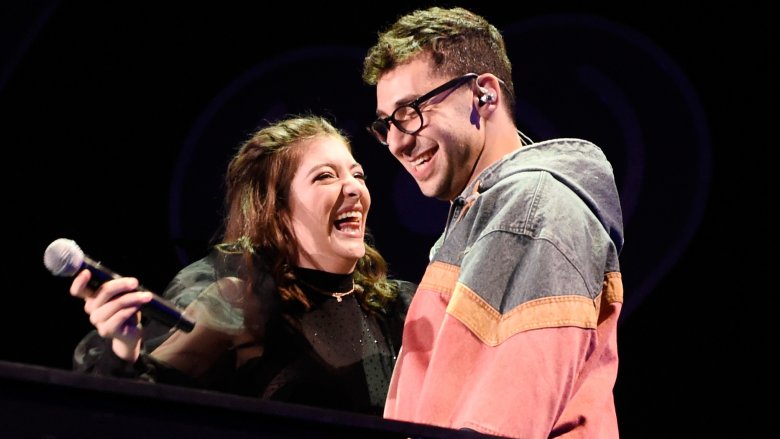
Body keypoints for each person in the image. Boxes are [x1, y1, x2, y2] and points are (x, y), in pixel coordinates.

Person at [362, 6, 625, 437]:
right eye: (386, 124)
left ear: (484, 95)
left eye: (410, 111)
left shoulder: (530, 210)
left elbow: (500, 422)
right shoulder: (491, 212)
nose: (396, 142)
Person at [69, 115, 416, 416]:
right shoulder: (239, 302)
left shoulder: (399, 309)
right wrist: (123, 350)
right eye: (325, 176)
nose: (354, 188)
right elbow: (141, 413)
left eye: (358, 174)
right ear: (277, 210)